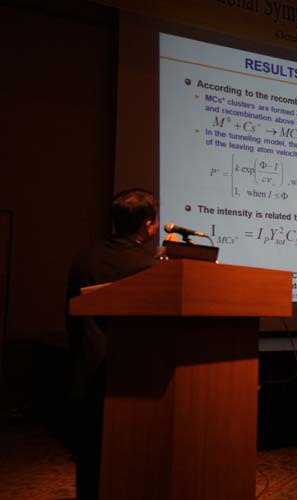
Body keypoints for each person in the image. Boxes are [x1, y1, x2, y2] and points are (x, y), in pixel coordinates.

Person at [66, 188, 159, 500]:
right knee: (126, 460)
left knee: (91, 459)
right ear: (148, 224)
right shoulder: (146, 266)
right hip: (126, 376)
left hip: (84, 369)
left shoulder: (84, 258)